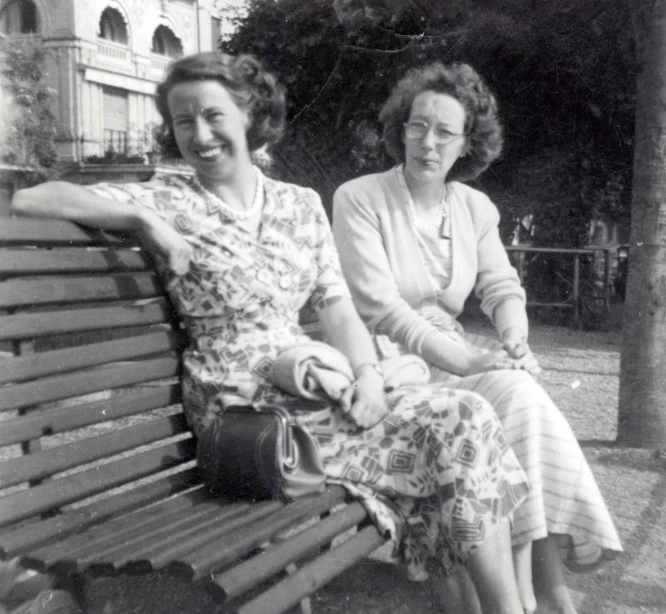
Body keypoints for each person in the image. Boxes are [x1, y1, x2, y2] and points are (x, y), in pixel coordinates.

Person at [11, 51, 533, 614]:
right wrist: (144, 220)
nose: (200, 135)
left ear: (249, 116)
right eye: (183, 121)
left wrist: (368, 378)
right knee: (454, 427)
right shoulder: (165, 197)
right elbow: (29, 198)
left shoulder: (299, 204)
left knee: (464, 420)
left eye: (214, 117)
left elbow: (337, 309)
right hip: (240, 412)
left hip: (313, 390)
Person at [332, 62, 623, 614]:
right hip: (380, 362)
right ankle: (542, 599)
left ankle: (547, 595)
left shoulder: (474, 207)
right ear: (400, 129)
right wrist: (470, 361)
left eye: (445, 132)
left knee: (523, 397)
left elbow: (501, 286)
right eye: (418, 126)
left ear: (467, 143)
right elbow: (381, 309)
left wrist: (513, 339)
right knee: (502, 402)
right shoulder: (359, 197)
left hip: (446, 357)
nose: (428, 142)